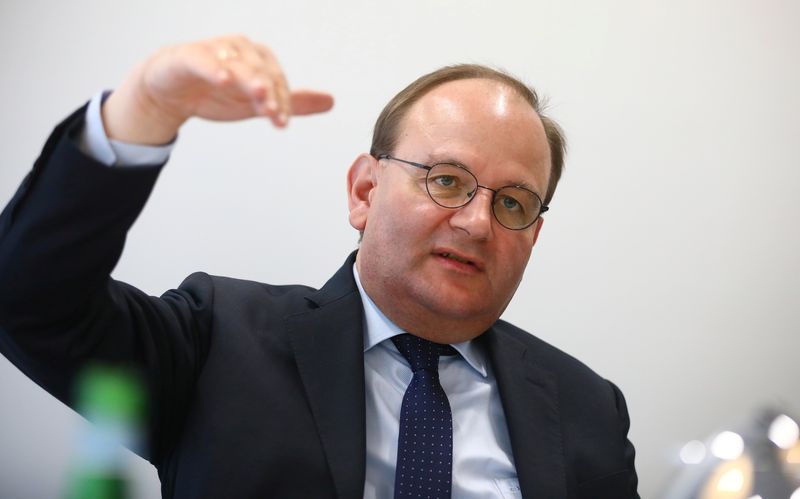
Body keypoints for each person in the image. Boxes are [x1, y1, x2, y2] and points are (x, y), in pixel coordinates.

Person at [0, 35, 639, 498]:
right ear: (364, 192)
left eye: (512, 202)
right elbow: (28, 300)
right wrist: (142, 112)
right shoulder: (219, 341)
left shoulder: (589, 409)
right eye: (446, 180)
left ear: (534, 235)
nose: (477, 222)